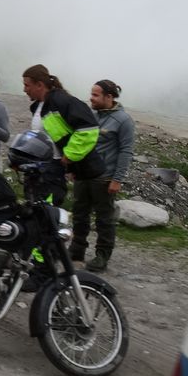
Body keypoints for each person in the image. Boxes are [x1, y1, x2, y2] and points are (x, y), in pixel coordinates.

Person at [20, 64, 105, 291]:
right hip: (41, 170)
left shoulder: (60, 101)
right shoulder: (41, 105)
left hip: (52, 172)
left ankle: (43, 274)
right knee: (39, 220)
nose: (24, 90)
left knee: (45, 223)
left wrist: (69, 155)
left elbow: (89, 129)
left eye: (27, 85)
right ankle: (41, 267)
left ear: (40, 84)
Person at [71, 79, 135, 272]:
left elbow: (126, 151)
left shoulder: (123, 120)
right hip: (83, 175)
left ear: (109, 97)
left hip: (104, 177)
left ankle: (102, 256)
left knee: (104, 219)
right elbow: (81, 141)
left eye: (95, 95)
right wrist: (75, 167)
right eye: (91, 94)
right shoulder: (91, 114)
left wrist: (117, 179)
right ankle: (76, 250)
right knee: (80, 215)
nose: (91, 98)